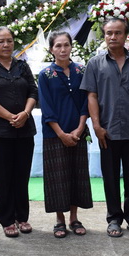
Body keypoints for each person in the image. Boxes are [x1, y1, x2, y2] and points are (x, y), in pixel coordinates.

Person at [80, 17, 129, 238]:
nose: (113, 37)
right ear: (104, 35)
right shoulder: (95, 64)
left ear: (126, 35)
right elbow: (91, 96)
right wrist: (96, 125)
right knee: (110, 178)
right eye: (109, 33)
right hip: (108, 131)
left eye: (118, 33)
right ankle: (114, 218)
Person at [0, 26, 38, 237]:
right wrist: (11, 117)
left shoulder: (22, 65)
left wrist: (25, 113)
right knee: (3, 177)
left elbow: (33, 91)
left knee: (22, 175)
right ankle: (7, 219)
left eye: (9, 41)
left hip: (24, 130)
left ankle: (22, 217)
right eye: (1, 41)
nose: (6, 45)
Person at [38, 31, 92, 238]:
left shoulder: (81, 71)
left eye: (66, 45)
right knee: (57, 177)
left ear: (71, 46)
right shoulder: (45, 75)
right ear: (51, 49)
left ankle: (74, 218)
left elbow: (86, 102)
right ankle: (60, 219)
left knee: (76, 174)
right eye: (58, 46)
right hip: (54, 134)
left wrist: (79, 128)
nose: (62, 49)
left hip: (77, 132)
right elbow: (47, 107)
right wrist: (61, 133)